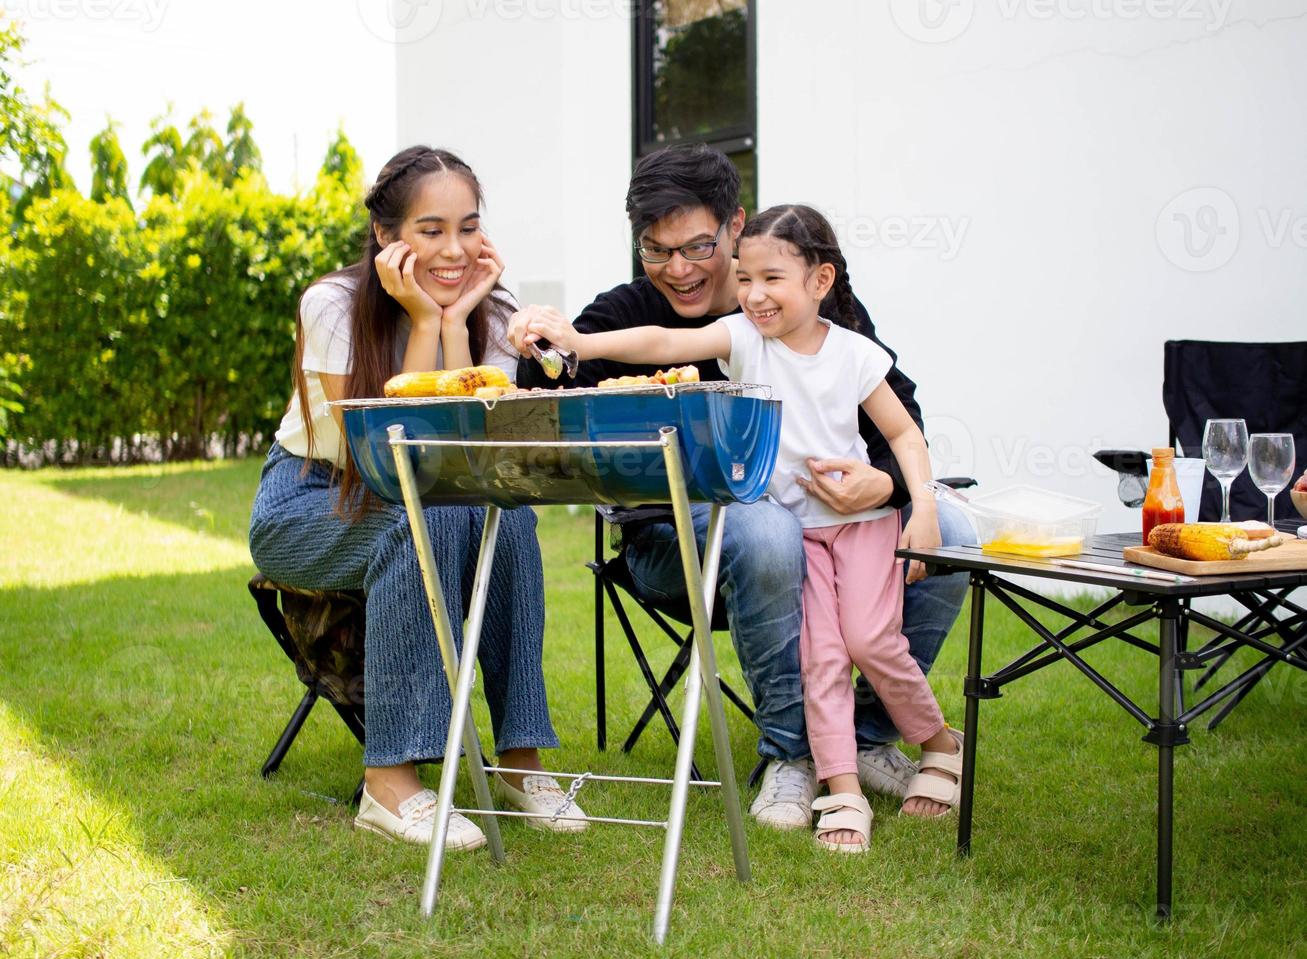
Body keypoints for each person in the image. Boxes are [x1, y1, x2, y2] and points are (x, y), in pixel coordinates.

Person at [515, 144, 975, 832]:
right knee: (763, 526)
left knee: (955, 533)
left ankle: (865, 734)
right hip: (673, 543)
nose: (677, 269)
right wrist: (549, 341)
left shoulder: (812, 305)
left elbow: (897, 420)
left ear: (735, 228)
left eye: (697, 246)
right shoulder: (640, 310)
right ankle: (791, 754)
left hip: (832, 529)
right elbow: (554, 381)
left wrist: (887, 485)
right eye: (655, 250)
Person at [248, 146, 586, 850]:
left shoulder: (493, 311)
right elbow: (391, 456)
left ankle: (519, 761)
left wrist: (461, 319)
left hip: (418, 496)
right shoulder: (333, 303)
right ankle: (389, 783)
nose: (454, 249)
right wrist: (426, 323)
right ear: (386, 235)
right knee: (415, 522)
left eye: (468, 227)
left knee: (504, 516)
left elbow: (465, 461)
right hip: (308, 502)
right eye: (430, 230)